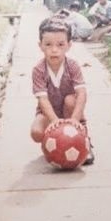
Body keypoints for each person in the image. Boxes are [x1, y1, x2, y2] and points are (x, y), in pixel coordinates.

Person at [30, 17, 94, 165]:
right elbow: (42, 99)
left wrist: (75, 119)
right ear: (40, 46)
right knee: (36, 132)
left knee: (71, 100)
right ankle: (54, 144)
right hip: (48, 112)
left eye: (60, 44)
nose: (54, 50)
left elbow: (82, 93)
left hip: (69, 110)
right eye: (48, 44)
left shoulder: (72, 66)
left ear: (69, 45)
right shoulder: (38, 70)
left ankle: (84, 140)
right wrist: (53, 121)